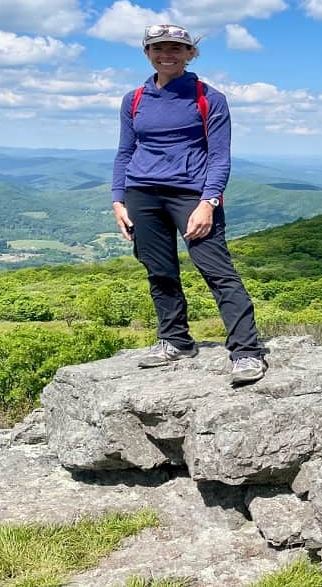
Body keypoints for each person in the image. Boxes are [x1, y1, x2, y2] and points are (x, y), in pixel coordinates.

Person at [111, 24, 267, 386]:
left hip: (191, 195)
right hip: (141, 193)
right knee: (159, 270)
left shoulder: (209, 97)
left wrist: (208, 202)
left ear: (190, 54)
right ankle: (176, 340)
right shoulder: (134, 99)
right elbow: (125, 151)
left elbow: (220, 157)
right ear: (147, 52)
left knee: (217, 271)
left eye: (177, 48)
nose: (168, 53)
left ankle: (246, 351)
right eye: (159, 47)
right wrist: (118, 199)